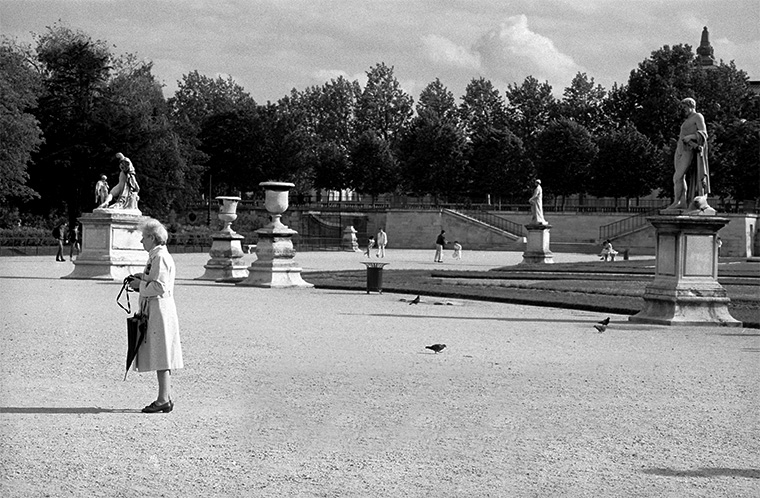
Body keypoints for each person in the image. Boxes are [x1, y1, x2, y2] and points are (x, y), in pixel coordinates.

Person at [128, 218, 183, 413]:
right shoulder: (157, 255)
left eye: (144, 237)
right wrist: (141, 278)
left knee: (162, 353)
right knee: (162, 353)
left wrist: (139, 286)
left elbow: (160, 286)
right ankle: (164, 397)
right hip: (156, 307)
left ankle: (163, 399)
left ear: (152, 237)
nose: (141, 241)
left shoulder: (160, 257)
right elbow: (155, 280)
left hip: (159, 309)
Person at [667, 98, 711, 211]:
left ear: (691, 106)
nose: (683, 110)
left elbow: (704, 133)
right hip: (680, 149)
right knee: (680, 177)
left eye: (685, 107)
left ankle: (677, 201)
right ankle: (681, 201)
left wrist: (691, 137)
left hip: (688, 149)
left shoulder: (698, 116)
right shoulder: (687, 119)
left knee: (677, 177)